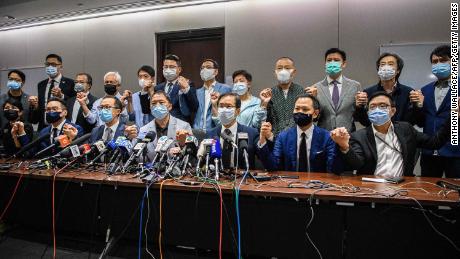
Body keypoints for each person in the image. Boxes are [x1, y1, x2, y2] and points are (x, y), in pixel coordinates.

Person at [331, 92, 451, 177]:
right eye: (372, 106)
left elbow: (436, 142)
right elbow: (357, 164)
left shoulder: (406, 129)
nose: (377, 109)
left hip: (402, 189)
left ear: (392, 111)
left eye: (383, 106)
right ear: (368, 112)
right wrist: (345, 146)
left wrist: (455, 116)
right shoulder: (359, 136)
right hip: (370, 190)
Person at [257, 94, 341, 173]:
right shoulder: (283, 136)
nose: (300, 112)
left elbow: (333, 169)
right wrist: (262, 139)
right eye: (297, 109)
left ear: (315, 114)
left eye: (305, 109)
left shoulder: (326, 137)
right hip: (291, 185)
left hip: (317, 185)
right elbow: (273, 167)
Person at [416, 45, 460, 178]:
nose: (438, 64)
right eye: (435, 62)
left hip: (456, 152)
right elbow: (421, 122)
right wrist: (418, 106)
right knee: (428, 191)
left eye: (443, 60)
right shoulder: (425, 90)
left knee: (455, 194)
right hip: (429, 152)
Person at [353, 53, 423, 126]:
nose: (386, 67)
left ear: (398, 70)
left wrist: (418, 106)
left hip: (401, 135)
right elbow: (364, 121)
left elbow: (413, 121)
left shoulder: (408, 92)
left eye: (390, 64)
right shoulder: (368, 92)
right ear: (378, 70)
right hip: (375, 134)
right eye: (382, 64)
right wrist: (359, 107)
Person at [306, 48, 362, 132]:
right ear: (325, 64)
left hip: (348, 136)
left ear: (344, 64)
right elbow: (314, 119)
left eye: (336, 60)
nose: (332, 63)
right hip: (324, 137)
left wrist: (359, 106)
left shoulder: (355, 86)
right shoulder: (316, 88)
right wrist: (313, 102)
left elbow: (359, 117)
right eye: (329, 60)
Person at [206, 93, 260, 169]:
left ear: (238, 111)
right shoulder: (210, 133)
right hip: (217, 178)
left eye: (228, 106)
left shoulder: (251, 133)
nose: (224, 110)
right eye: (221, 106)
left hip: (242, 178)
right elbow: (203, 162)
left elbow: (269, 163)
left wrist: (263, 140)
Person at [136, 91, 192, 161]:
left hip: (175, 169)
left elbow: (191, 155)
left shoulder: (184, 126)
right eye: (153, 103)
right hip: (151, 169)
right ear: (150, 107)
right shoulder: (143, 130)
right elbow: (139, 157)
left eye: (161, 102)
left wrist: (182, 145)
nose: (157, 106)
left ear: (170, 106)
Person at [29, 53, 76, 130]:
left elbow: (74, 105)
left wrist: (62, 96)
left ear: (61, 66)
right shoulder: (41, 84)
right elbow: (41, 106)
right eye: (48, 64)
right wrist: (35, 105)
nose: (50, 67)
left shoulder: (70, 83)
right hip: (43, 127)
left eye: (53, 64)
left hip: (63, 128)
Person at [259, 57, 305, 136]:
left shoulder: (301, 91)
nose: (283, 71)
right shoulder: (269, 93)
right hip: (274, 139)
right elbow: (261, 122)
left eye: (287, 68)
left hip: (297, 137)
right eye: (280, 68)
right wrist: (264, 103)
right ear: (275, 73)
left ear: (294, 72)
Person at [154, 55, 198, 124]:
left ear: (179, 69)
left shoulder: (188, 84)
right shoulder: (158, 87)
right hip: (162, 124)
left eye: (172, 67)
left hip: (180, 125)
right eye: (166, 67)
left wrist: (186, 89)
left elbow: (194, 106)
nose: (168, 69)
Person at [193, 59, 231, 130]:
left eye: (208, 67)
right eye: (202, 68)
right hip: (197, 131)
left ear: (216, 72)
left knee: (217, 142)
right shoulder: (197, 92)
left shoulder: (225, 89)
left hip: (215, 131)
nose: (204, 70)